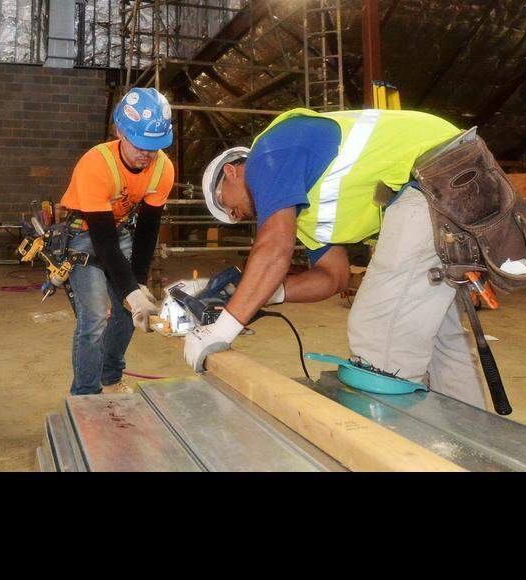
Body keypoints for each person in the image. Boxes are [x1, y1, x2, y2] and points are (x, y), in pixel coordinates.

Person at [186, 108, 488, 408]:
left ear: (231, 171)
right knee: (438, 336)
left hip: (433, 174)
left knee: (376, 331)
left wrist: (221, 330)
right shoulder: (304, 212)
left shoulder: (269, 153)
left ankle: (389, 449)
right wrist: (269, 293)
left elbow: (274, 246)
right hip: (455, 175)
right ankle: (470, 444)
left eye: (225, 203)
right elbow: (334, 277)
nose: (233, 216)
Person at [59, 88, 175, 395]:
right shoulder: (95, 164)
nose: (147, 154)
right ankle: (84, 392)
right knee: (96, 317)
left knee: (127, 312)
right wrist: (131, 292)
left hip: (120, 229)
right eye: (140, 144)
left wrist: (137, 285)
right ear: (119, 130)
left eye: (155, 146)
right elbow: (103, 241)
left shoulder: (163, 169)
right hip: (84, 232)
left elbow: (148, 230)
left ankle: (110, 379)